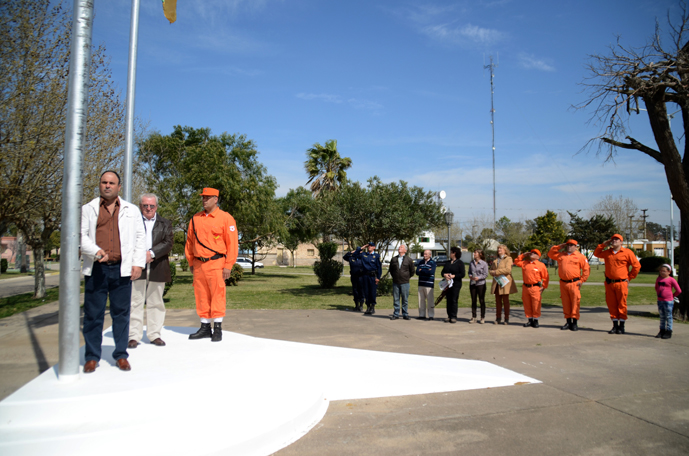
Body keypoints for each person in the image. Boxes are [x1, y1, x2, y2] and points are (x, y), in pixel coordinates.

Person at [80, 171, 145, 373]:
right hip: (96, 269)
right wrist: (95, 251)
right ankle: (91, 356)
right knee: (93, 315)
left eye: (112, 183)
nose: (107, 186)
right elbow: (80, 236)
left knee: (121, 314)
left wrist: (138, 264)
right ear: (99, 185)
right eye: (104, 182)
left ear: (118, 187)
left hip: (121, 270)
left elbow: (139, 238)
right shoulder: (87, 209)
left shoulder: (131, 210)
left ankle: (121, 354)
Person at [185, 188, 238, 342]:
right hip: (199, 264)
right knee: (201, 295)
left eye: (207, 198)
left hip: (216, 263)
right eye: (203, 197)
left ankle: (218, 328)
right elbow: (189, 242)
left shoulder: (226, 218)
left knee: (217, 295)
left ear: (216, 199)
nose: (204, 200)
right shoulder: (195, 218)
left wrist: (228, 265)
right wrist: (190, 261)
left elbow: (232, 244)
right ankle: (205, 327)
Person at [128, 193, 173, 348]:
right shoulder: (132, 222)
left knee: (156, 302)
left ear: (156, 207)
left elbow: (168, 242)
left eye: (151, 206)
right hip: (136, 266)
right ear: (140, 206)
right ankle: (133, 335)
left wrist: (151, 254)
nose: (148, 208)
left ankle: (154, 335)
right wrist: (141, 256)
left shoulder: (165, 223)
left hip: (157, 266)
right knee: (135, 301)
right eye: (145, 205)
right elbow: (127, 242)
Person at [593, 234, 641, 335]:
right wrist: (603, 245)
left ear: (621, 242)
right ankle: (615, 325)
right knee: (611, 304)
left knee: (622, 304)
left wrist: (629, 278)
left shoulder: (627, 252)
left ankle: (622, 326)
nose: (614, 241)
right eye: (613, 239)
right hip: (609, 283)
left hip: (621, 283)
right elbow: (596, 254)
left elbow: (636, 266)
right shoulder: (607, 252)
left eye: (617, 239)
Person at [548, 240, 591, 331]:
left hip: (574, 283)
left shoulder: (580, 256)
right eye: (568, 245)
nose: (569, 247)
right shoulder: (561, 255)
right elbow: (550, 254)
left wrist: (582, 280)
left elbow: (586, 269)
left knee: (575, 303)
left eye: (572, 245)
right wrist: (559, 246)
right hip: (563, 283)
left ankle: (574, 323)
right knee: (566, 303)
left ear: (576, 247)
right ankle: (568, 322)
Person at [514, 249, 550, 328]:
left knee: (536, 304)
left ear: (538, 256)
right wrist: (523, 255)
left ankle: (536, 320)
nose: (532, 254)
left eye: (534, 253)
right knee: (527, 304)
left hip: (536, 287)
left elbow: (546, 277)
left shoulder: (541, 265)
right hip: (526, 287)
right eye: (531, 253)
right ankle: (529, 320)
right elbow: (516, 261)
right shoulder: (525, 263)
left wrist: (544, 287)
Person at [489, 244, 518, 325]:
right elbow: (491, 270)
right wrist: (492, 272)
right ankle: (498, 318)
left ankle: (506, 318)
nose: (499, 250)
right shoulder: (496, 260)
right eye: (498, 249)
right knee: (498, 302)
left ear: (505, 250)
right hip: (497, 283)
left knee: (506, 301)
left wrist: (496, 272)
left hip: (505, 282)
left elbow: (508, 270)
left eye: (501, 249)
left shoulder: (508, 258)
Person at [388, 244, 415, 320]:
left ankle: (405, 314)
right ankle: (396, 314)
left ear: (405, 250)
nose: (399, 248)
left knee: (405, 299)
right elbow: (391, 270)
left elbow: (412, 271)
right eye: (399, 247)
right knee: (396, 299)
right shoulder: (394, 259)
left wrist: (406, 277)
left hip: (405, 282)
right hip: (396, 282)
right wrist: (395, 276)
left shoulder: (409, 260)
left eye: (401, 247)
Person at [655, 264, 681, 340]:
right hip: (660, 300)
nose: (661, 272)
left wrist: (672, 296)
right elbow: (656, 287)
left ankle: (669, 330)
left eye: (664, 271)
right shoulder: (658, 279)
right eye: (660, 271)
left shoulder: (671, 279)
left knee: (668, 316)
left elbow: (679, 290)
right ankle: (662, 330)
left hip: (668, 301)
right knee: (662, 316)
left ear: (669, 272)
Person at [441, 246, 465, 323]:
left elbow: (462, 274)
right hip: (447, 284)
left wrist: (454, 276)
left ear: (454, 253)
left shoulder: (460, 263)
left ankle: (453, 316)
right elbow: (442, 272)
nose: (449, 254)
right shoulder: (447, 262)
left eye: (451, 252)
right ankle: (449, 316)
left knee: (454, 300)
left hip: (456, 284)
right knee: (448, 300)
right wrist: (445, 275)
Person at [357, 242, 382, 315]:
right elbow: (355, 254)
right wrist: (362, 247)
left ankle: (372, 307)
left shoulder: (376, 256)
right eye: (369, 246)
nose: (369, 247)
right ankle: (368, 307)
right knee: (366, 292)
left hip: (372, 276)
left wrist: (378, 277)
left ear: (374, 247)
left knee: (372, 292)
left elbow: (379, 268)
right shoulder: (364, 255)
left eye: (371, 246)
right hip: (365, 276)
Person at [468, 249, 489, 324]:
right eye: (474, 252)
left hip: (481, 284)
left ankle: (482, 317)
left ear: (480, 254)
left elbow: (486, 274)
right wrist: (470, 276)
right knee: (473, 300)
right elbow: (469, 272)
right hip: (473, 283)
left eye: (476, 253)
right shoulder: (471, 263)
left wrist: (479, 278)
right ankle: (474, 316)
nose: (474, 254)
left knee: (481, 300)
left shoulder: (484, 263)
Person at [416, 249, 437, 321]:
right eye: (424, 254)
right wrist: (426, 270)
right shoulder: (420, 262)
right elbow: (417, 272)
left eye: (426, 254)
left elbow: (431, 272)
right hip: (421, 283)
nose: (424, 255)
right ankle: (422, 315)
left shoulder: (433, 262)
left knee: (430, 300)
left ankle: (431, 315)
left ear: (430, 255)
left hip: (429, 284)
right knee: (421, 300)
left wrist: (422, 270)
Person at [343, 246, 365, 312]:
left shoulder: (363, 258)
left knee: (361, 291)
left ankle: (361, 305)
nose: (358, 252)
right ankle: (356, 305)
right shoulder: (352, 258)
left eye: (360, 251)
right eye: (357, 251)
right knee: (355, 291)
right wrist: (351, 252)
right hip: (354, 277)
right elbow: (345, 257)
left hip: (361, 277)